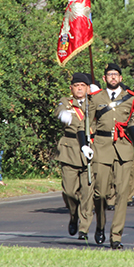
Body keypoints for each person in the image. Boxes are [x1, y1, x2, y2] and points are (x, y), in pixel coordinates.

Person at [88, 64, 134, 249]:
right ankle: (100, 224)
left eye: (116, 74)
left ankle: (116, 236)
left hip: (124, 148)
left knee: (122, 194)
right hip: (102, 147)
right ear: (104, 78)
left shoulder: (131, 98)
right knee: (100, 193)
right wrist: (87, 143)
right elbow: (88, 123)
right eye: (110, 75)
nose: (113, 77)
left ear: (121, 77)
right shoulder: (95, 98)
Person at [55, 73, 94, 240]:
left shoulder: (94, 103)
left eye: (83, 85)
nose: (79, 88)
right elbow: (60, 111)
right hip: (71, 150)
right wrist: (65, 116)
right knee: (69, 191)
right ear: (71, 88)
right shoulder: (66, 102)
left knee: (87, 192)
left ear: (88, 88)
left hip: (91, 150)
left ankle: (84, 228)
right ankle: (73, 214)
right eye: (76, 85)